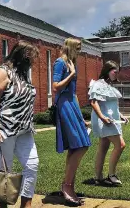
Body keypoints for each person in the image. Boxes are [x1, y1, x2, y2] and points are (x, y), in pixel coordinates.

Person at [0, 40, 40, 208]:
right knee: (2, 171)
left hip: (25, 129)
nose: (33, 63)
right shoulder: (3, 72)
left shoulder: (23, 74)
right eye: (31, 59)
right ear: (23, 56)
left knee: (32, 165)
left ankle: (26, 205)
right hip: (5, 129)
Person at [53, 37, 91, 206]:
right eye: (78, 48)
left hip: (72, 105)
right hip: (63, 104)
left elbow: (74, 93)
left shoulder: (72, 63)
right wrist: (72, 75)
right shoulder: (60, 63)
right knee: (82, 145)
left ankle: (69, 186)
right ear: (70, 47)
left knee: (76, 146)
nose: (80, 51)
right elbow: (55, 86)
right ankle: (66, 186)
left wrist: (81, 117)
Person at [89, 60, 129, 186]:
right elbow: (93, 102)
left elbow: (112, 106)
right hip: (105, 121)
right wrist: (102, 118)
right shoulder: (98, 84)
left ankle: (98, 177)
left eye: (117, 72)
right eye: (114, 71)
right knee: (121, 145)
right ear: (107, 70)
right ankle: (112, 175)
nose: (116, 74)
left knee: (103, 148)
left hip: (111, 120)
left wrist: (121, 116)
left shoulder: (109, 86)